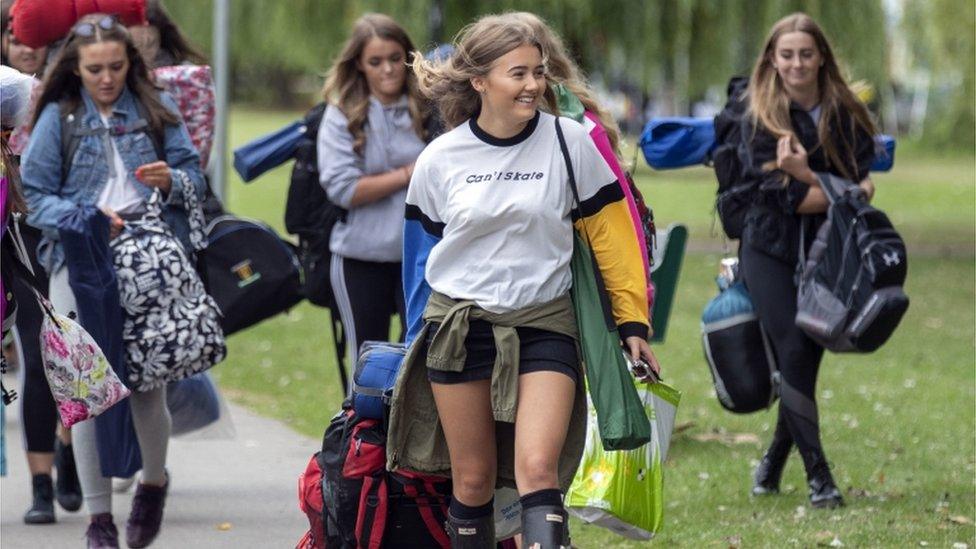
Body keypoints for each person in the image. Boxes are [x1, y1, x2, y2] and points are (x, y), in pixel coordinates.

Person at [389, 13, 659, 548]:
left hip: (544, 324)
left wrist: (632, 320)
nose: (533, 84)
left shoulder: (570, 144)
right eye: (518, 74)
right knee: (472, 479)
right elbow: (420, 260)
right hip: (458, 329)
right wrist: (414, 337)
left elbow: (613, 238)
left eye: (538, 72)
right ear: (479, 81)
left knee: (538, 469)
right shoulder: (440, 159)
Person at [20, 13, 206, 547]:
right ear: (75, 69)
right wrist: (85, 216)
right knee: (86, 391)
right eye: (95, 69)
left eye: (117, 67)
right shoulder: (60, 115)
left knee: (147, 389)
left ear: (131, 63)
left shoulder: (154, 107)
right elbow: (34, 195)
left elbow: (194, 175)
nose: (107, 78)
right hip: (77, 261)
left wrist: (172, 180)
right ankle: (98, 519)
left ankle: (150, 485)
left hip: (146, 260)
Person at [736, 13, 877, 509]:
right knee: (794, 351)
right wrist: (831, 186)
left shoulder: (847, 113)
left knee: (807, 359)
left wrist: (803, 171)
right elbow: (782, 198)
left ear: (822, 58)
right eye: (787, 54)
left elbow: (864, 185)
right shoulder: (755, 115)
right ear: (772, 59)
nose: (796, 64)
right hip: (768, 248)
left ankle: (772, 462)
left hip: (832, 251)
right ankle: (821, 479)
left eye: (806, 54)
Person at [317, 13, 435, 382]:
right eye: (375, 61)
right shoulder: (342, 117)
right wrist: (408, 174)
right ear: (360, 66)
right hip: (359, 258)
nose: (388, 69)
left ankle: (408, 439)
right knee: (366, 369)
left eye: (395, 58)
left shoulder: (432, 110)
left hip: (419, 258)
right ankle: (364, 440)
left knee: (421, 358)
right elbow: (344, 189)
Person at [128, 0, 207, 70]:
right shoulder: (119, 76)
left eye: (151, 44)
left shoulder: (185, 73)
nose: (145, 38)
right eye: (137, 45)